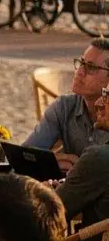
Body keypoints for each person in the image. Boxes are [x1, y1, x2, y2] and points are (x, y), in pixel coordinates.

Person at [46, 81, 109, 241]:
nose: (99, 103)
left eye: (107, 95)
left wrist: (42, 193)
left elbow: (51, 216)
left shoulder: (100, 158)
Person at [23, 40, 109, 171]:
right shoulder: (64, 107)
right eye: (81, 63)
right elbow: (26, 153)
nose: (80, 72)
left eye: (91, 67)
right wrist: (55, 159)